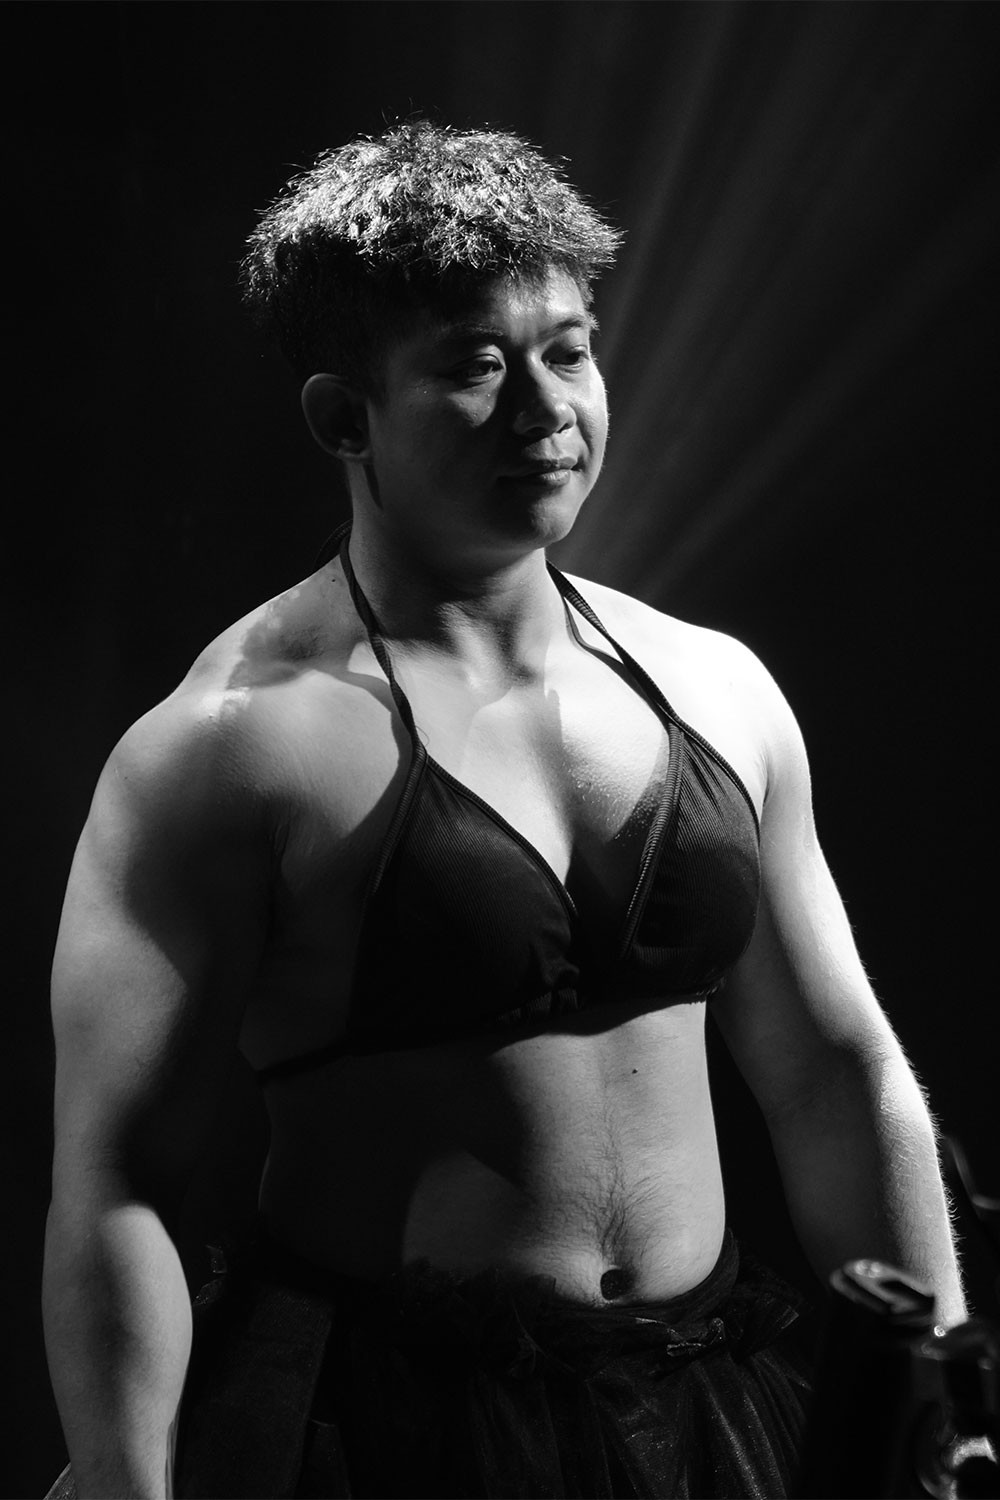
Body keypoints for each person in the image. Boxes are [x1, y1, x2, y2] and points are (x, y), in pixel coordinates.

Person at [43, 120, 966, 1500]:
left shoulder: (716, 687)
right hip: (385, 1433)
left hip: (702, 1416)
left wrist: (939, 1392)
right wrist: (128, 1487)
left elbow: (835, 1070)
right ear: (342, 418)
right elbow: (123, 1182)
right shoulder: (226, 748)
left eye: (569, 352)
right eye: (476, 366)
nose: (547, 411)